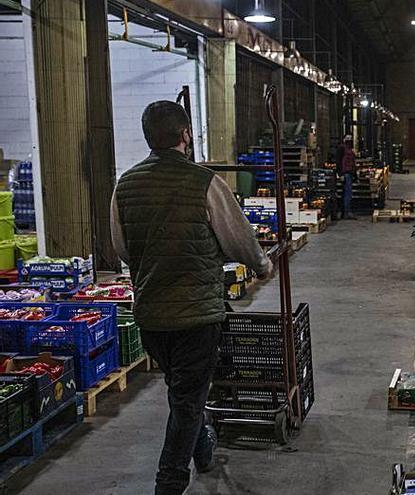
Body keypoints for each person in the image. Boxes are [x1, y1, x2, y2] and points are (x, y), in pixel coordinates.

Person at [110, 101, 273, 495]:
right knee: (186, 400)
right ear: (185, 135)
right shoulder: (205, 182)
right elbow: (239, 241)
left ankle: (203, 450)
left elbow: (122, 248)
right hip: (196, 318)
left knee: (183, 390)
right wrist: (263, 266)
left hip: (150, 317)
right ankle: (169, 482)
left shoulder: (126, 185)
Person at [336, 134, 357, 219]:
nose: (349, 140)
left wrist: (355, 174)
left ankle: (345, 212)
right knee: (347, 193)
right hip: (345, 174)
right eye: (347, 138)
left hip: (350, 173)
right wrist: (340, 174)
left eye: (350, 138)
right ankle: (346, 212)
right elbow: (338, 161)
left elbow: (352, 162)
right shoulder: (341, 148)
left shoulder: (349, 149)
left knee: (348, 193)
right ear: (344, 139)